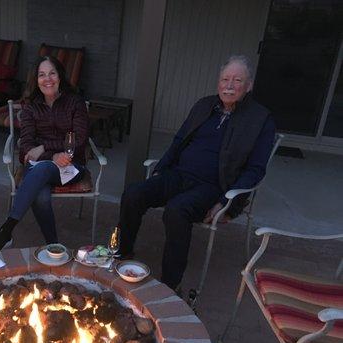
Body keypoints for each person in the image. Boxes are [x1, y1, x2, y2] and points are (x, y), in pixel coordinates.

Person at [118, 55, 276, 291]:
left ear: (249, 85)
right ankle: (123, 252)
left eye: (237, 80)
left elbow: (255, 170)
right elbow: (180, 139)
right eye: (225, 79)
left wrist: (227, 203)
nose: (229, 85)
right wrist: (160, 171)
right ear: (218, 82)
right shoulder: (205, 105)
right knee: (133, 193)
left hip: (214, 186)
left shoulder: (260, 119)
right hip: (178, 174)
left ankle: (171, 285)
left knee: (176, 210)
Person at [0, 56, 89, 251]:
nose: (47, 79)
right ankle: (54, 246)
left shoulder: (75, 102)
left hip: (71, 165)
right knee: (41, 195)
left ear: (60, 76)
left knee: (44, 168)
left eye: (52, 73)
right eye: (41, 75)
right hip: (40, 168)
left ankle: (6, 231)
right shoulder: (30, 106)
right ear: (36, 80)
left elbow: (79, 140)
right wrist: (51, 154)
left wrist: (44, 148)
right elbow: (25, 150)